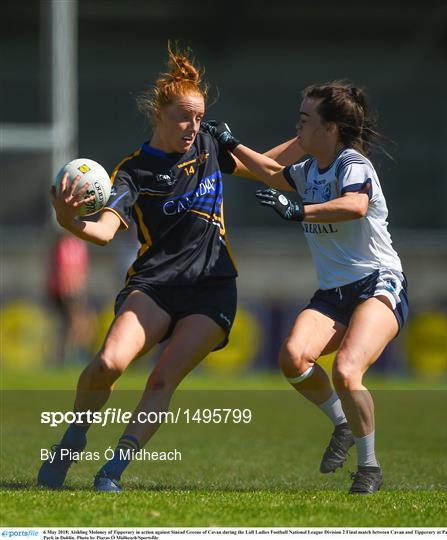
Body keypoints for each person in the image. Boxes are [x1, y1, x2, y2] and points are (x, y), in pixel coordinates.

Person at [37, 43, 305, 492]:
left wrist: (314, 134)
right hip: (155, 285)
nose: (193, 126)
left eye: (199, 117)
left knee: (164, 376)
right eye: (184, 116)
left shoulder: (208, 147)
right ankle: (73, 437)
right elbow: (104, 233)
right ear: (158, 114)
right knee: (106, 363)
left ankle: (113, 470)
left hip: (213, 289)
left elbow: (269, 167)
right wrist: (68, 219)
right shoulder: (133, 172)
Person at [207, 82, 409, 495]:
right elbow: (266, 171)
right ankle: (342, 424)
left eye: (305, 120)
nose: (297, 126)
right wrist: (229, 143)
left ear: (330, 128)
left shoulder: (352, 164)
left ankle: (369, 467)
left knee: (347, 372)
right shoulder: (309, 170)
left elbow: (354, 205)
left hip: (378, 283)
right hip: (334, 293)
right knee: (293, 357)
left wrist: (300, 210)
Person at [48, 231, 96, 364]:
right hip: (64, 291)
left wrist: (81, 292)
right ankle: (64, 356)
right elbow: (62, 271)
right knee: (72, 323)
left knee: (81, 322)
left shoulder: (80, 244)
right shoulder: (63, 244)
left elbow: (83, 270)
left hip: (77, 290)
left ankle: (71, 353)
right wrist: (67, 292)